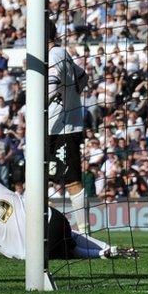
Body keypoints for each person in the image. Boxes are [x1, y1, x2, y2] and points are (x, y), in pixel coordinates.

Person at [0, 182, 136, 261]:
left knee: (63, 251)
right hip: (54, 217)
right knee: (69, 238)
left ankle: (103, 253)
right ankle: (108, 249)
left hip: (37, 245)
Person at [47, 19, 88, 234]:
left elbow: (51, 89)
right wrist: (71, 95)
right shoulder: (61, 54)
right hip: (54, 126)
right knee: (39, 180)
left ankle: (84, 231)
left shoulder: (55, 55)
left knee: (71, 181)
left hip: (60, 128)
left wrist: (37, 105)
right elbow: (83, 77)